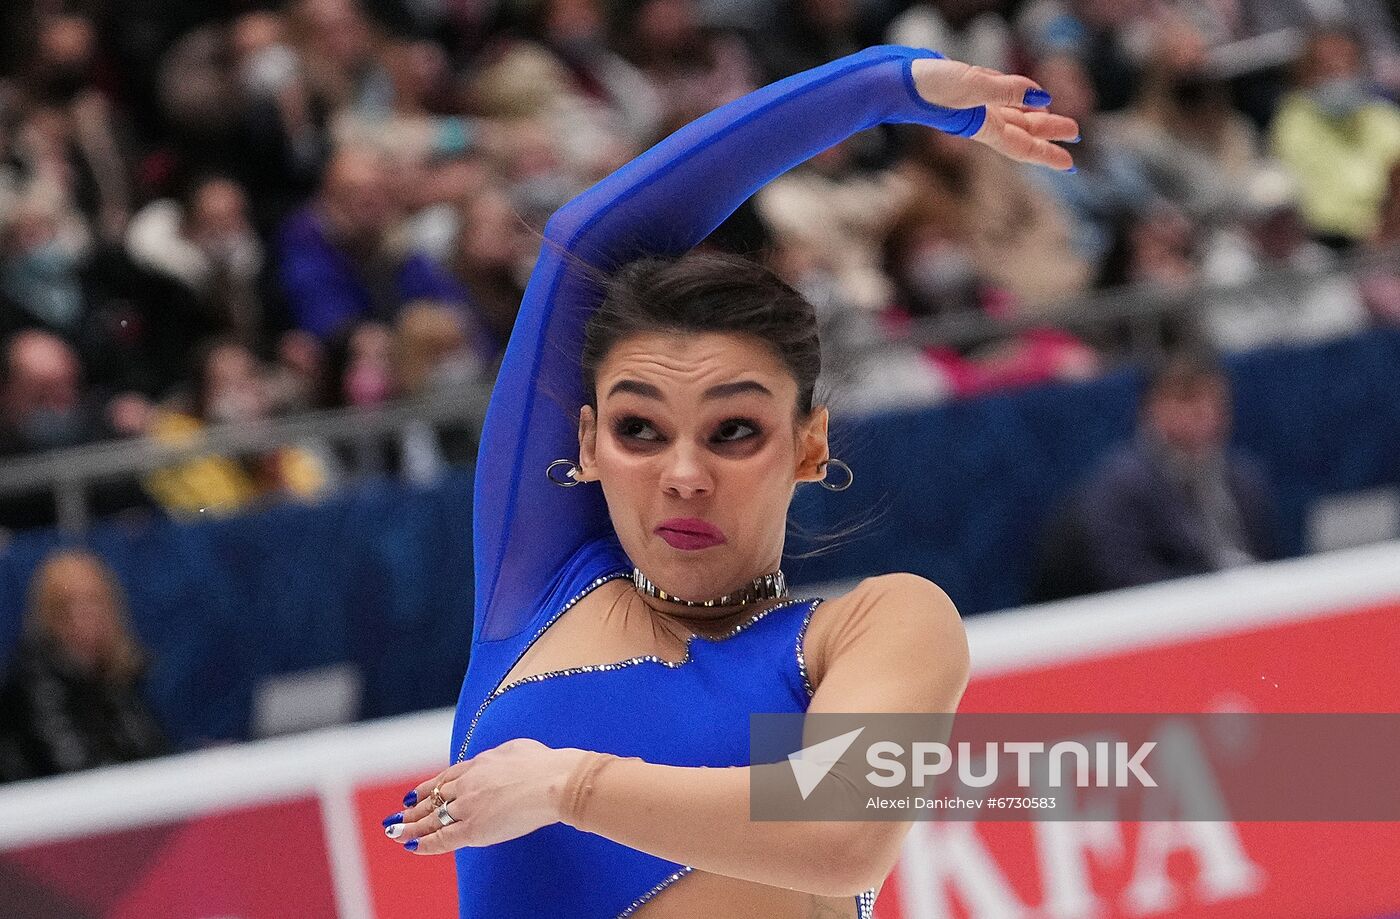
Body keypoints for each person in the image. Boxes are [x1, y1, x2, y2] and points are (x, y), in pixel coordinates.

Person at [377, 46, 1077, 917]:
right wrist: (886, 88)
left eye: (733, 430)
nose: (682, 474)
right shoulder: (537, 592)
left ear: (808, 446)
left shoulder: (880, 629)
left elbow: (839, 831)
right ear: (586, 441)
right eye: (639, 429)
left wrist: (568, 785)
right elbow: (584, 245)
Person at [1074, 350, 1282, 591]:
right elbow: (1127, 578)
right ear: (1152, 408)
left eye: (1215, 400)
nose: (1205, 411)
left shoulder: (1245, 477)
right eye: (1188, 399)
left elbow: (1269, 561)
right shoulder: (1120, 487)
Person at [0, 549, 170, 783]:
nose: (85, 616)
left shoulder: (118, 675)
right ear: (51, 615)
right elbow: (73, 768)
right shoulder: (35, 681)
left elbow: (153, 750)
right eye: (70, 606)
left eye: (94, 602)